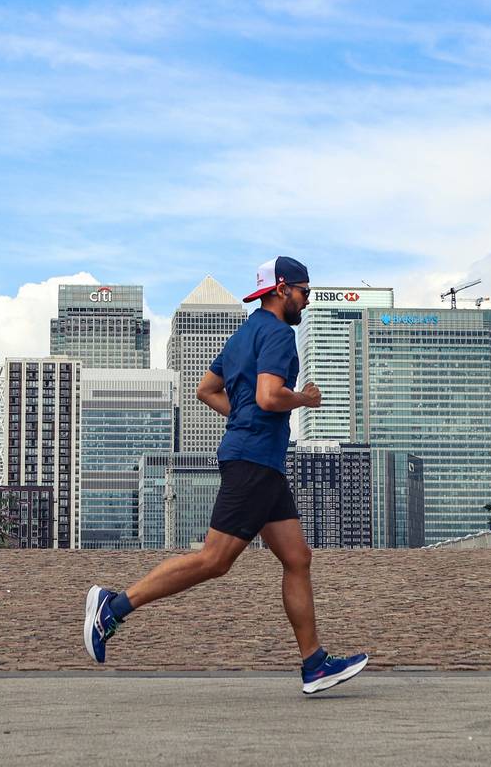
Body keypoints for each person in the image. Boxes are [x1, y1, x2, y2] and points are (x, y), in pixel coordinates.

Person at [83, 256, 369, 695]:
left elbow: (205, 390)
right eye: (304, 291)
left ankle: (314, 664)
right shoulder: (277, 334)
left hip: (261, 461)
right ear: (281, 288)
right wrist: (305, 399)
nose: (307, 301)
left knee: (297, 559)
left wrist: (245, 419)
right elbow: (271, 397)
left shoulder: (244, 334)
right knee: (214, 561)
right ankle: (113, 608)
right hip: (254, 461)